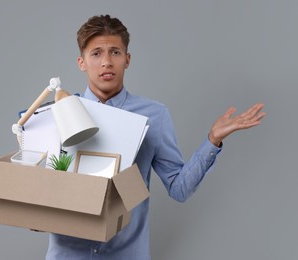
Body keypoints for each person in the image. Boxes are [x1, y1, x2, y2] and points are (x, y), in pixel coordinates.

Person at [45, 14, 265, 260]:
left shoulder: (154, 116)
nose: (106, 62)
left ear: (127, 60)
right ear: (81, 62)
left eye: (115, 52)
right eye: (96, 53)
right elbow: (40, 192)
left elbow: (179, 189)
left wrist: (212, 140)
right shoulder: (56, 114)